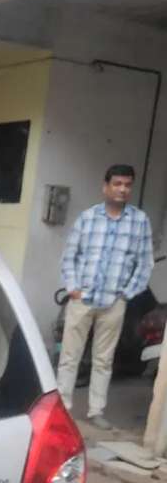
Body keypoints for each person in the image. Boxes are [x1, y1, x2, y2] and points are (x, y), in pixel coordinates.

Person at [57, 164, 154, 430]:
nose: (122, 189)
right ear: (106, 186)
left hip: (114, 302)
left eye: (127, 185)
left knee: (103, 360)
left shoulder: (139, 221)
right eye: (117, 184)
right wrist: (73, 288)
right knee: (69, 356)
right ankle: (63, 408)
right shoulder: (87, 218)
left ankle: (95, 411)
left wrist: (127, 294)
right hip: (82, 299)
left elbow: (144, 263)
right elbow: (70, 256)